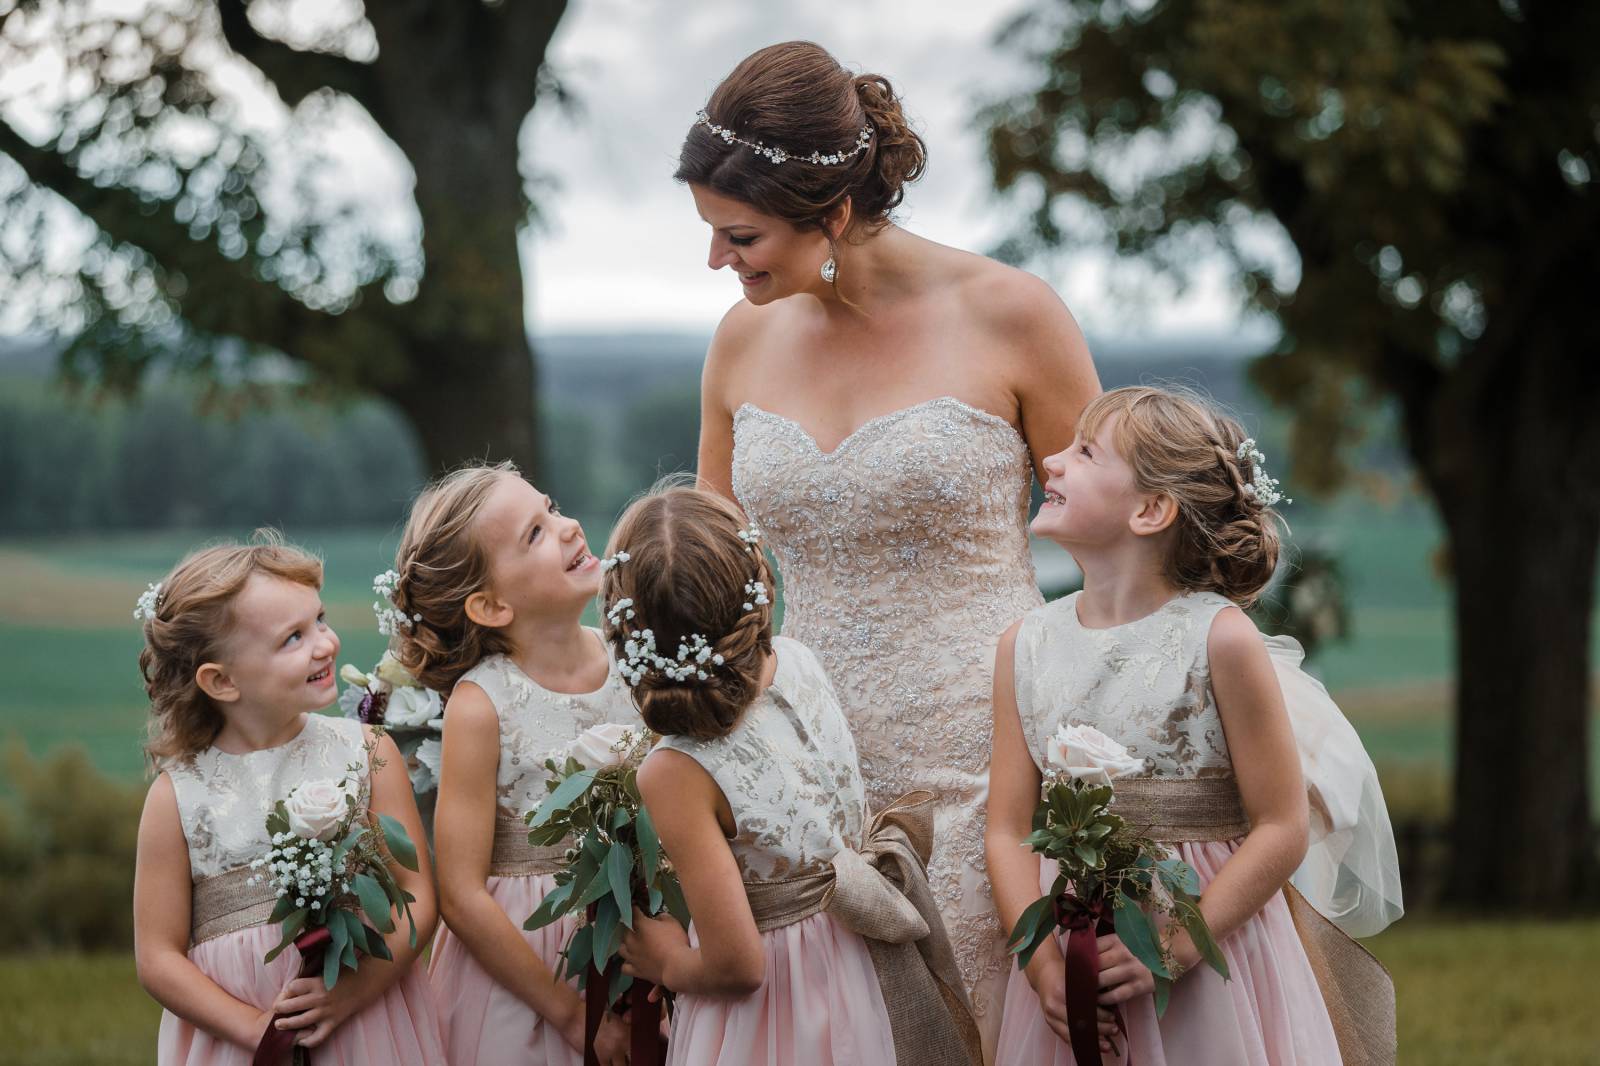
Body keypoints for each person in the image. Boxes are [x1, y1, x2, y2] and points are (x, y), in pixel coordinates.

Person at [684, 40, 1101, 1052]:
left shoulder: (1012, 314)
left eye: (739, 236)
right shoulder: (742, 339)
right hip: (802, 771)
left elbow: (1120, 546)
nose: (715, 263)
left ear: (828, 214)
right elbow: (706, 573)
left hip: (989, 761)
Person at [987, 386, 1347, 1063]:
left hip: (1205, 947)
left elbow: (1282, 825)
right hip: (1073, 947)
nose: (1052, 464)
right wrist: (1040, 970)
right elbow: (1007, 830)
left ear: (1151, 510)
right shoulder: (1023, 645)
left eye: (1085, 453)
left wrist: (1176, 948)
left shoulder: (1220, 639)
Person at [606, 485, 981, 1066]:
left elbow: (737, 966)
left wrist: (668, 963)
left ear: (627, 630)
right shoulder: (798, 661)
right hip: (859, 962)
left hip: (781, 1010)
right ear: (759, 589)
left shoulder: (674, 769)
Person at [133, 533, 444, 1065]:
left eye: (319, 620)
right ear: (222, 680)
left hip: (362, 1026)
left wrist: (350, 996)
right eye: (292, 639)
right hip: (239, 1040)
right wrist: (257, 1030)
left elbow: (417, 895)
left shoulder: (367, 753)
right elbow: (158, 956)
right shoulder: (178, 796)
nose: (325, 643)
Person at [391, 463, 638, 1066]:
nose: (569, 526)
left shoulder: (633, 660)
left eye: (551, 508)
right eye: (535, 533)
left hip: (635, 928)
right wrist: (571, 1014)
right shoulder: (483, 704)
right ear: (491, 605)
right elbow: (462, 893)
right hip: (525, 975)